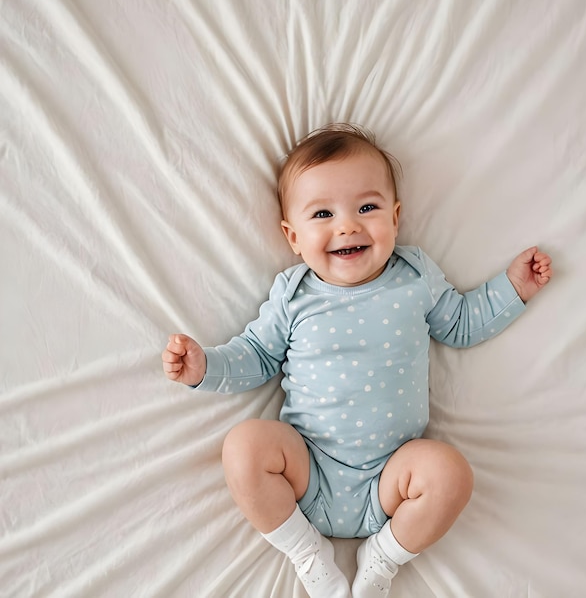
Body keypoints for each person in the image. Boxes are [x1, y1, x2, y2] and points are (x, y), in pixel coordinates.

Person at [162, 124, 553, 598]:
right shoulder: (294, 293)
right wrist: (205, 368)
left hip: (393, 478)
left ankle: (383, 558)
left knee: (451, 474)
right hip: (308, 470)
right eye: (322, 213)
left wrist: (513, 289)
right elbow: (258, 355)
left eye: (367, 208)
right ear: (293, 237)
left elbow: (462, 324)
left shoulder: (414, 276)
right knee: (243, 447)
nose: (347, 225)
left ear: (396, 215)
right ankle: (307, 554)